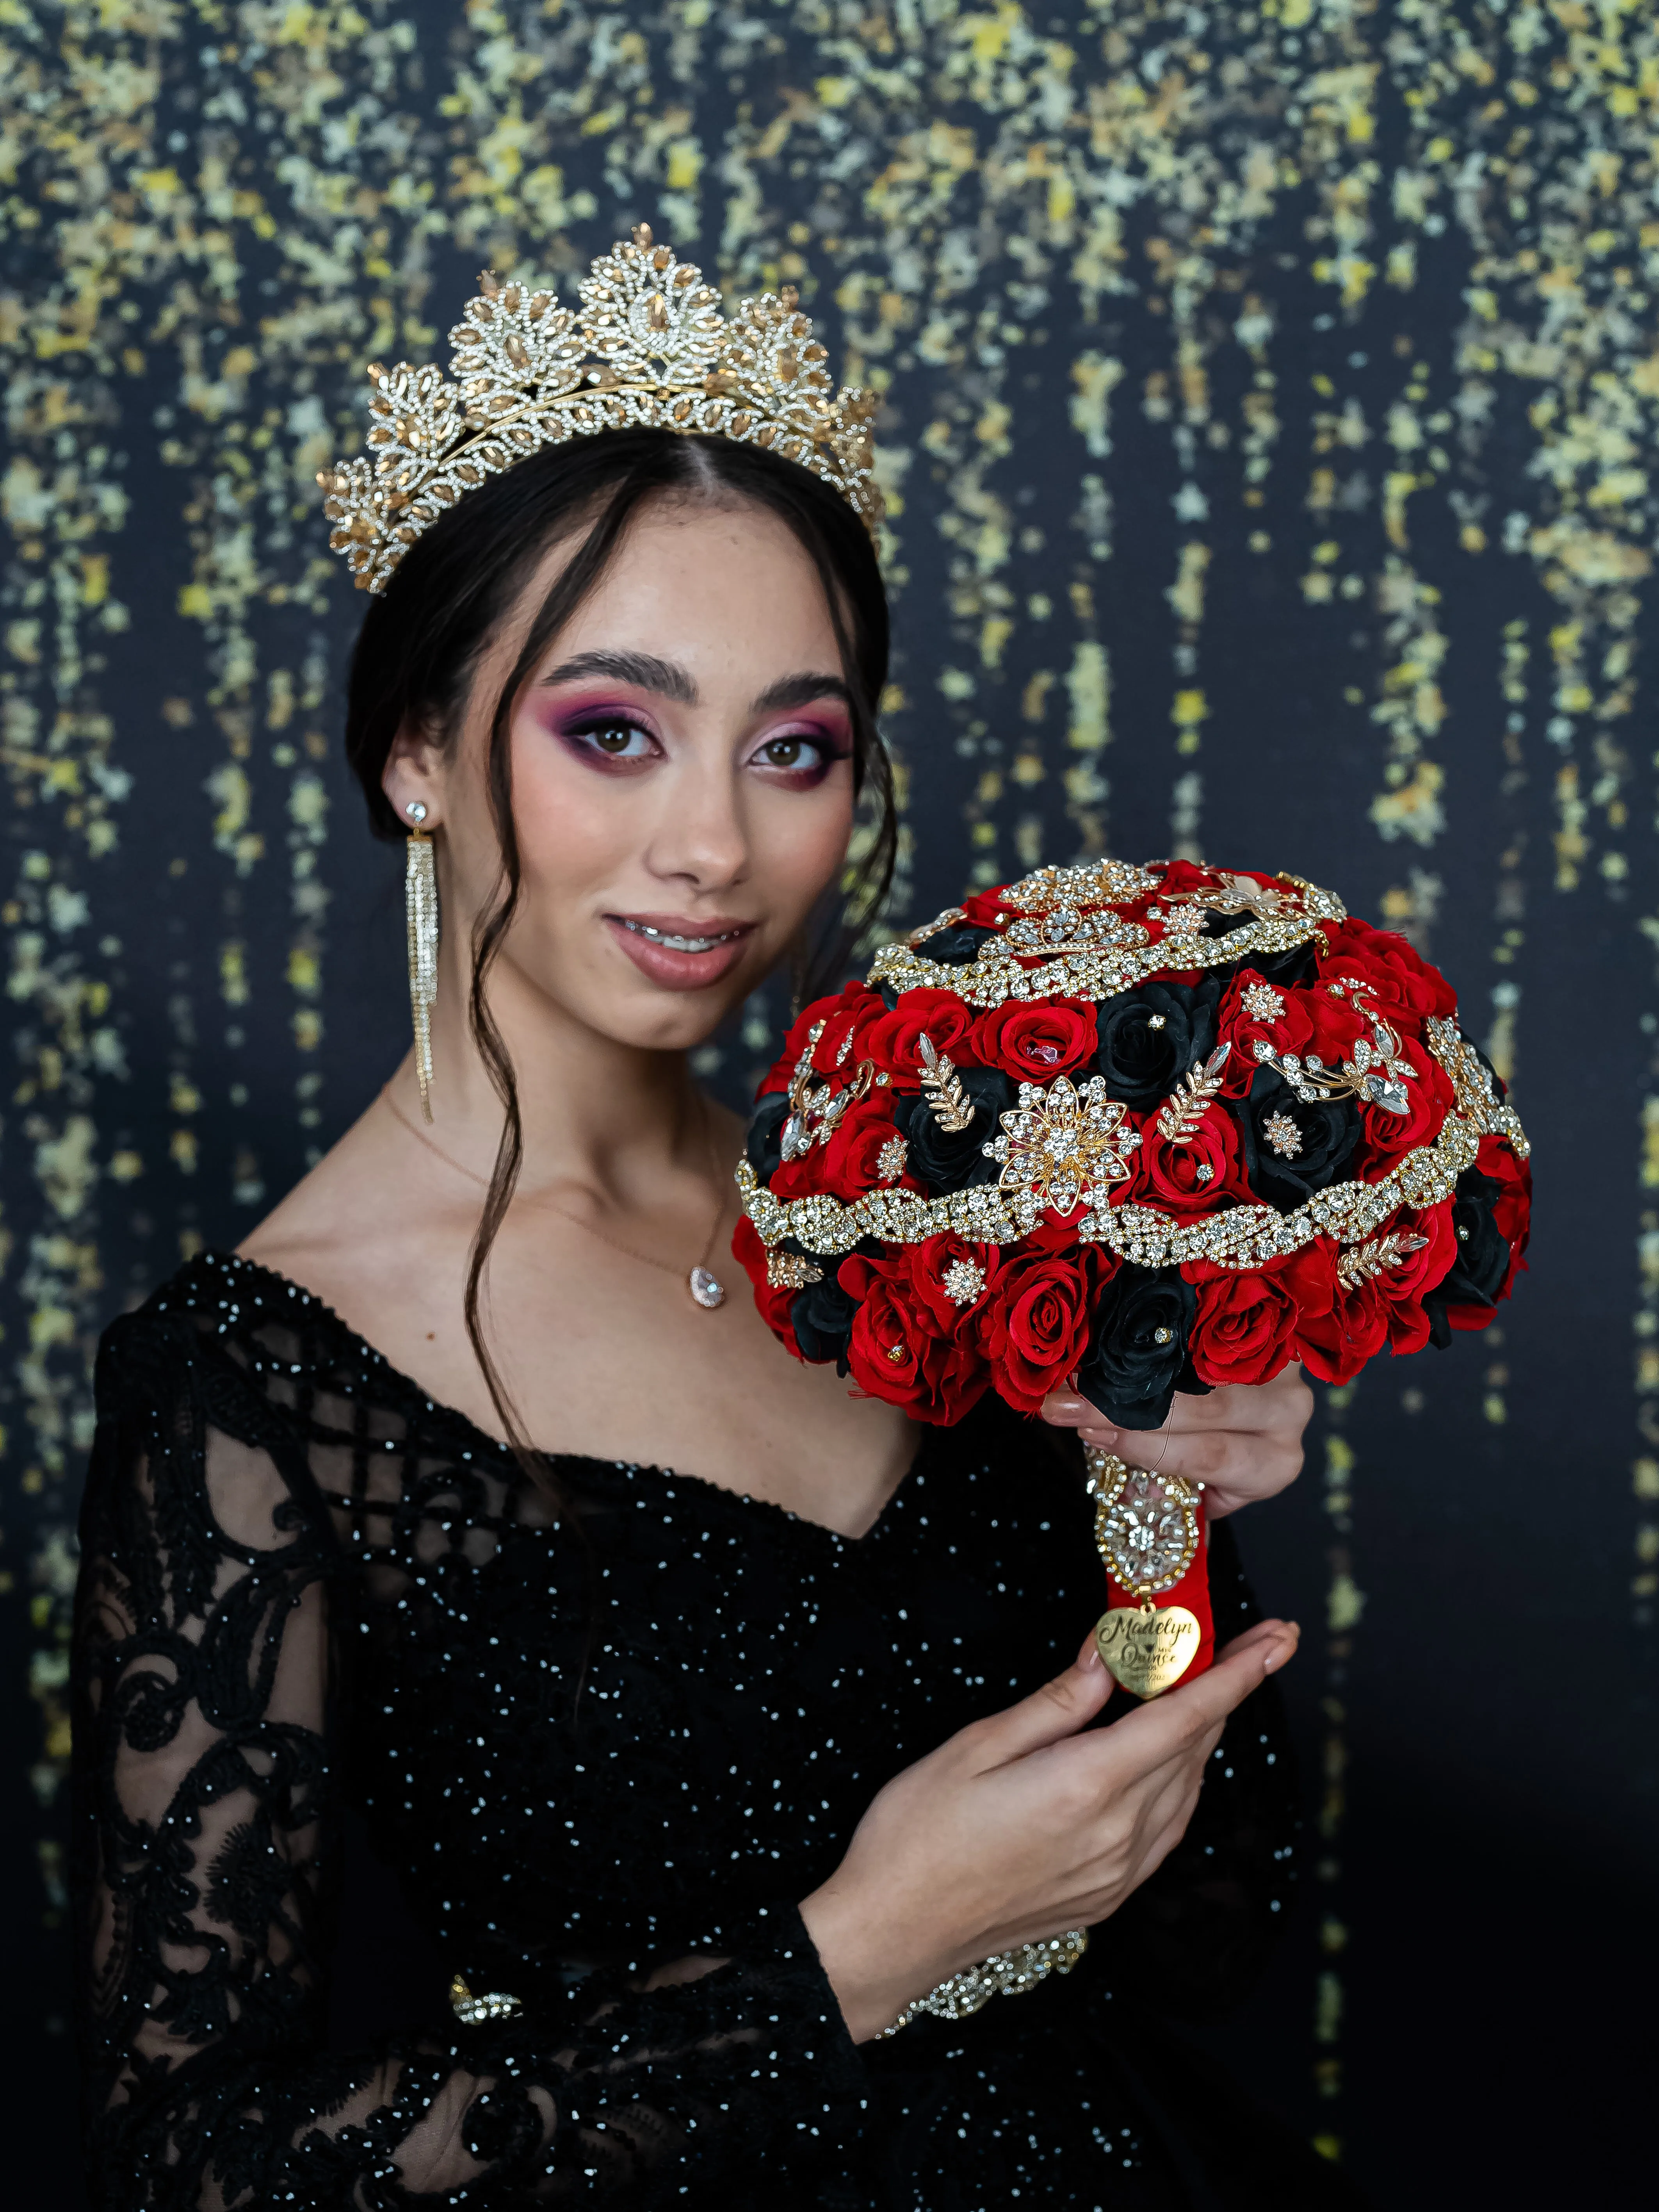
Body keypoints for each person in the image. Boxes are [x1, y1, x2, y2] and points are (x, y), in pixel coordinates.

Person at [72, 230, 1353, 2210]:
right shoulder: (252, 1387)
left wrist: (1161, 1499)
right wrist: (847, 1966)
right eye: (614, 729)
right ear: (420, 748)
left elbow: (1207, 1936)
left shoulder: (935, 1219)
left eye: (795, 748)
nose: (716, 844)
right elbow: (189, 2166)